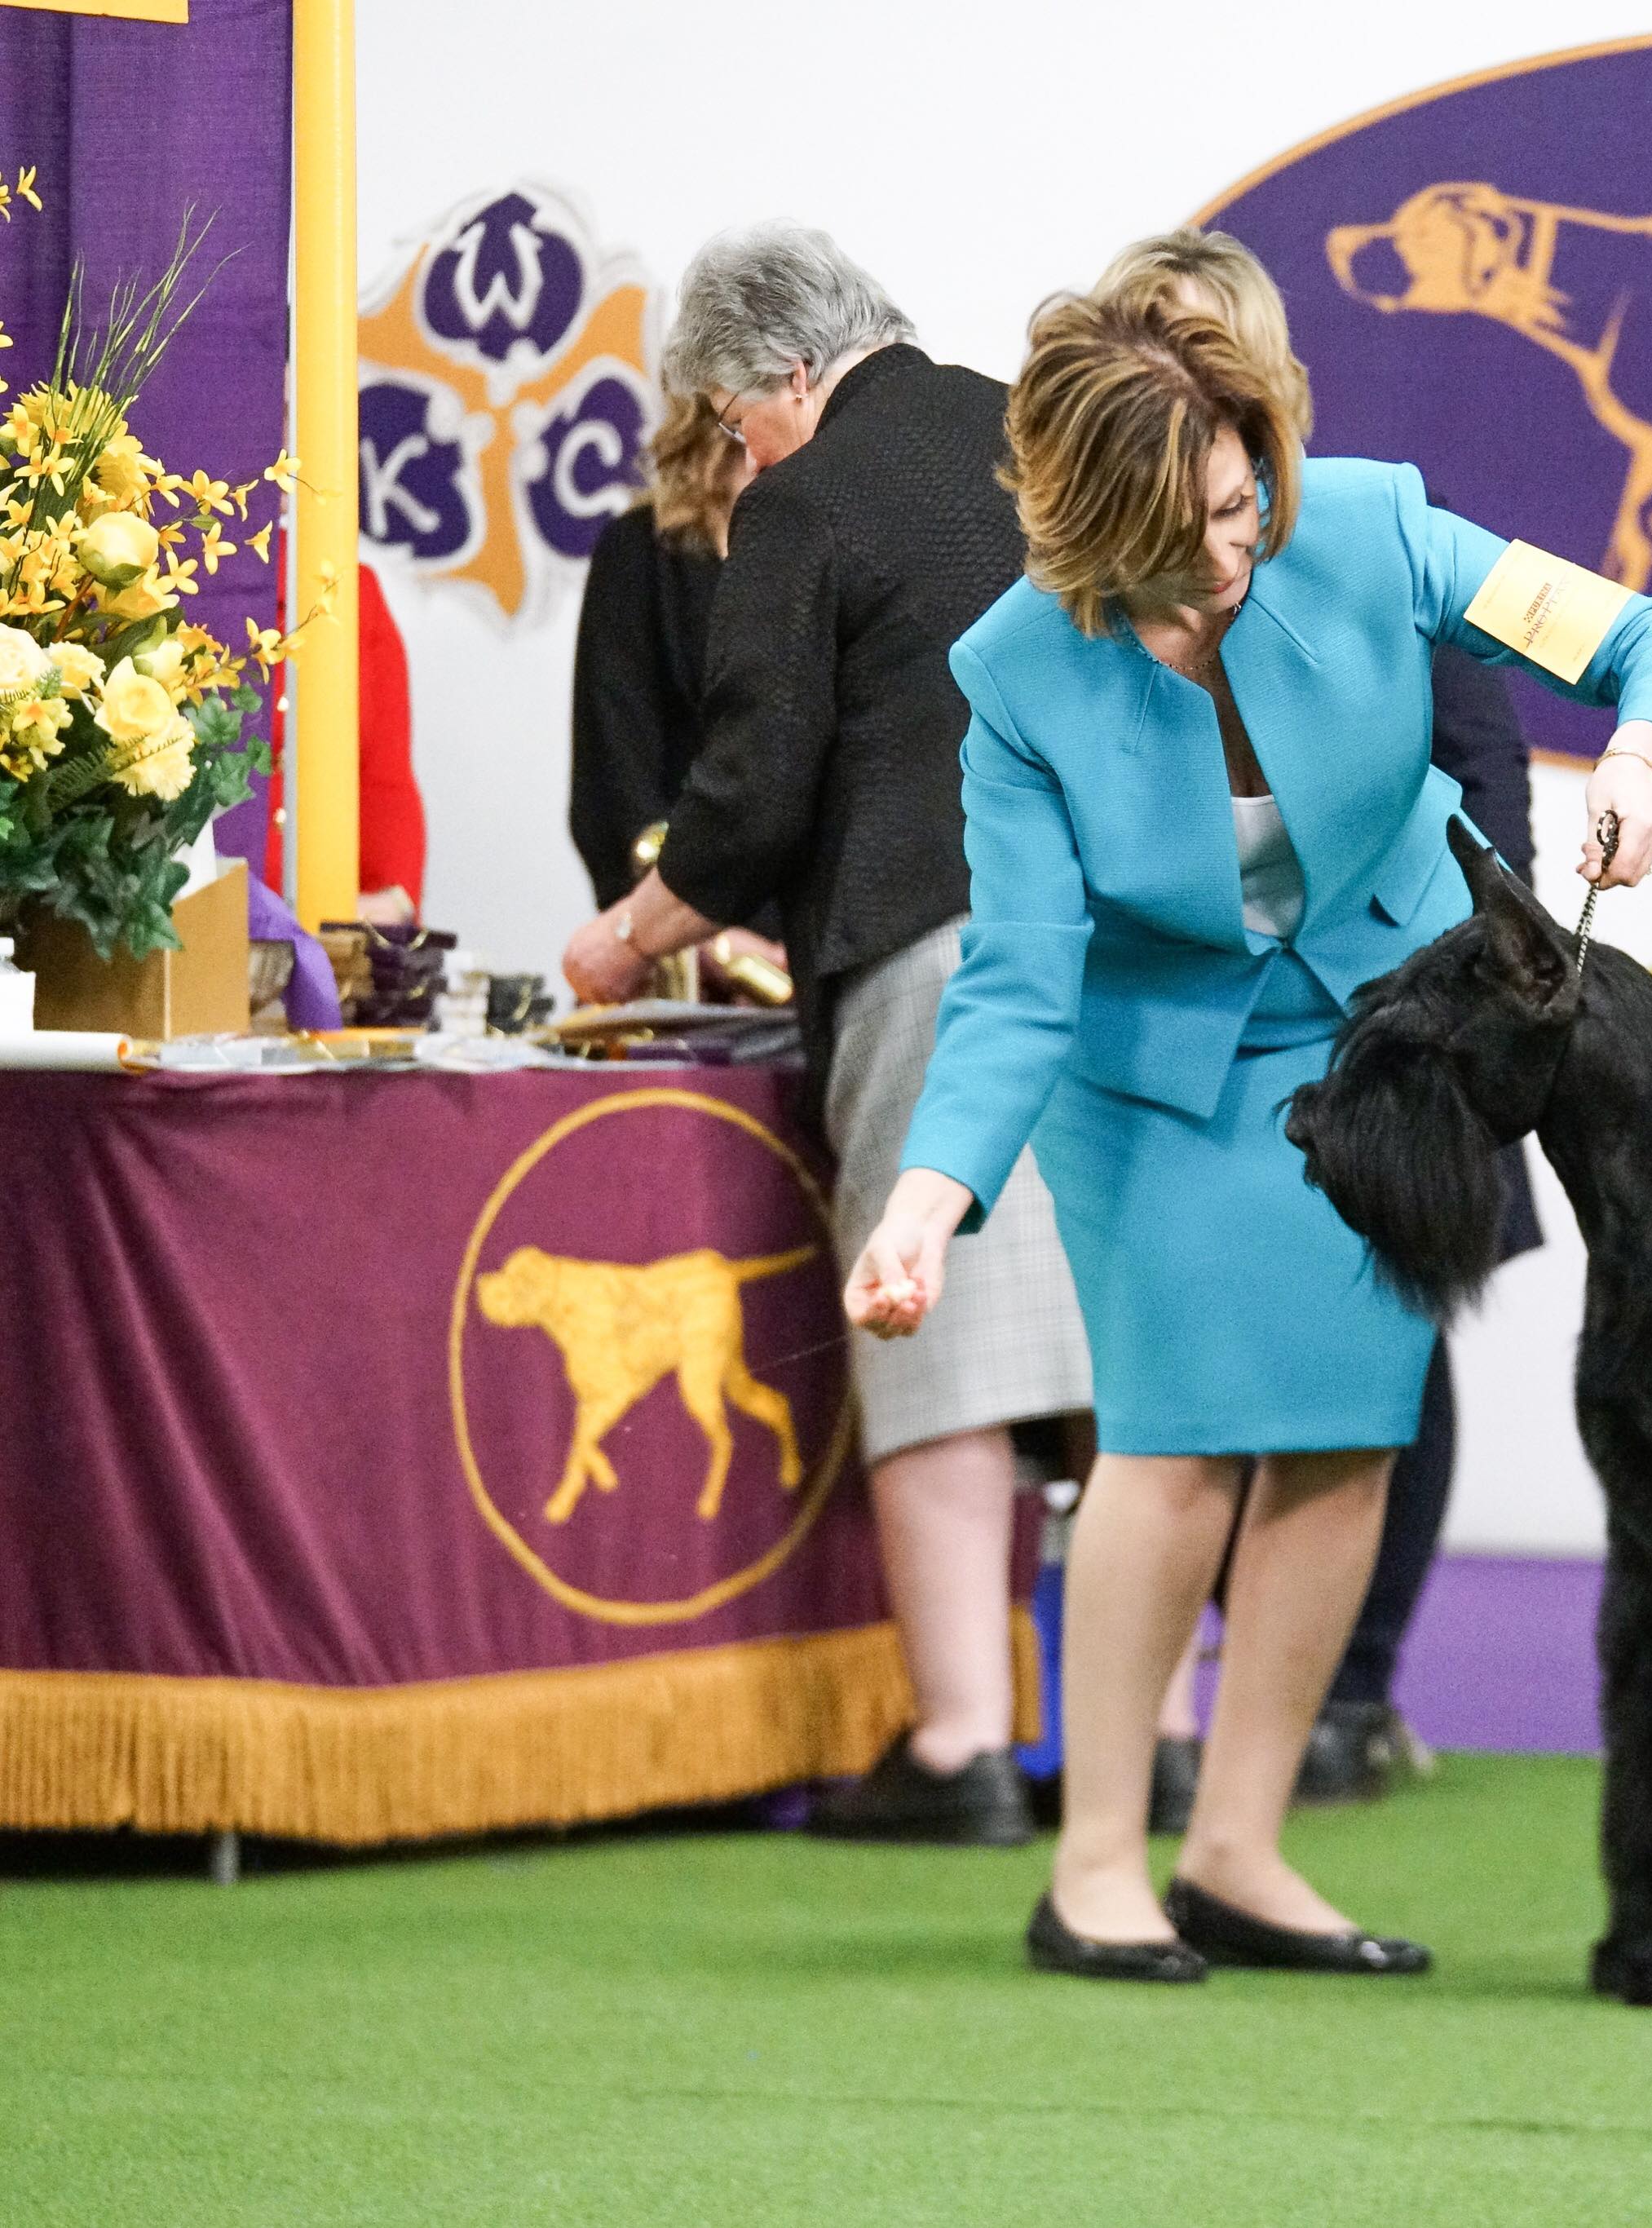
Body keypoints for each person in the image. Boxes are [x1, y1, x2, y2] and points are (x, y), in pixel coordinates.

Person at [846, 286, 1652, 1983]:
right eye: (1188, 533)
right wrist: (930, 1196)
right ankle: (1096, 1860)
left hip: (1397, 1046)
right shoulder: (1015, 672)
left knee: (1347, 1434)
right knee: (1171, 1441)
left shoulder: (1376, 523)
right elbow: (1021, 970)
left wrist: (1635, 753)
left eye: (1247, 502)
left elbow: (1651, 636)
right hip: (1157, 1076)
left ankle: (1241, 1850)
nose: (1237, 548)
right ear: (1094, 530)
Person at [557, 224, 1090, 1846]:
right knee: (1111, 1376)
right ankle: (1151, 1738)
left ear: (786, 376)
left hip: (933, 946)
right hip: (1110, 946)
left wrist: (628, 932)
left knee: (932, 1341)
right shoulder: (1036, 438)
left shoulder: (807, 497)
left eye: (735, 421)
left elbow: (751, 783)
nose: (734, 464)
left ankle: (957, 1748)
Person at [1086, 232, 1544, 1819]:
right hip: (1194, 1045)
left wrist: (1489, 992)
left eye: (1207, 352)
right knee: (1189, 1384)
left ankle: (1349, 1692)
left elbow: (1488, 773)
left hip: (1403, 1021)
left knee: (1391, 1359)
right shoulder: (1080, 595)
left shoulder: (1375, 537)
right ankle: (1169, 1734)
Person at [564, 393, 788, 984]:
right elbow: (614, 778)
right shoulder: (639, 553)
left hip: (829, 945)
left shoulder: (841, 543)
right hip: (682, 946)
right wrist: (700, 937)